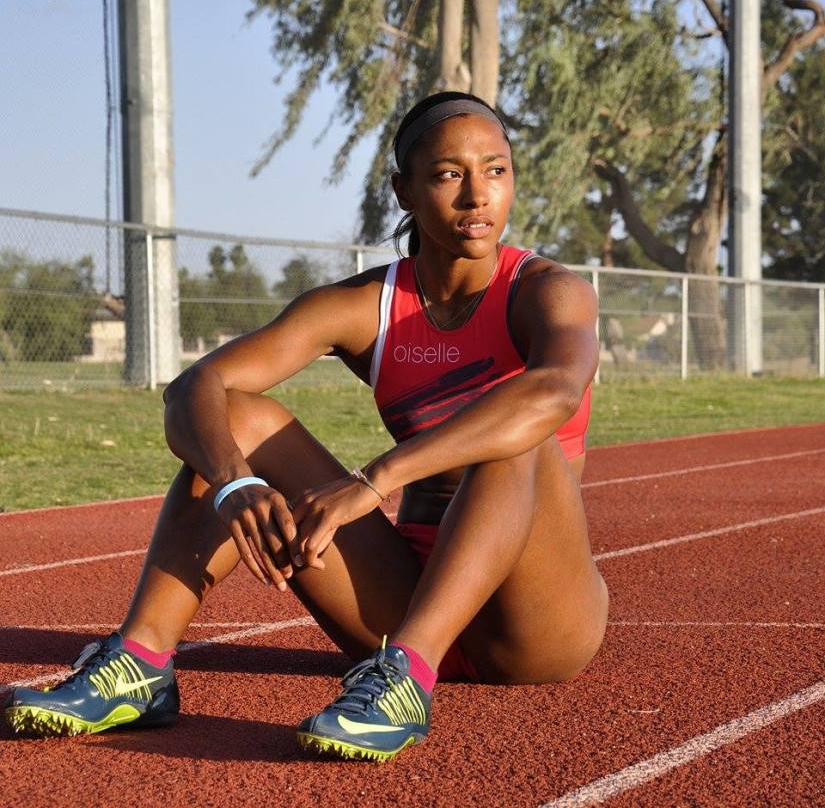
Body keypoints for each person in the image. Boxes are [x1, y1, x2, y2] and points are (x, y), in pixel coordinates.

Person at [5, 91, 609, 761]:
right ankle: (142, 663)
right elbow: (192, 389)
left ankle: (405, 679)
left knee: (515, 428)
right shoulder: (365, 305)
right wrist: (234, 482)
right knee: (235, 415)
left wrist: (375, 478)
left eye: (496, 170)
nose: (477, 195)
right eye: (448, 174)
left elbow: (553, 392)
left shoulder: (548, 290)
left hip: (534, 622)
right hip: (397, 601)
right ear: (403, 191)